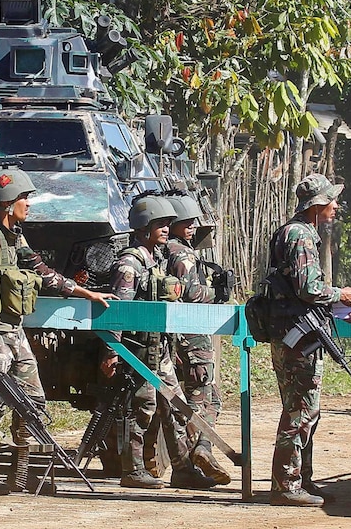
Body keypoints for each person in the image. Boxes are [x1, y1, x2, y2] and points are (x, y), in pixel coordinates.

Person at [0, 165, 116, 495]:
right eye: (24, 198)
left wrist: (87, 293)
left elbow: (44, 274)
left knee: (33, 401)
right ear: (6, 202)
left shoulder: (17, 238)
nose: (28, 204)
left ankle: (23, 473)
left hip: (15, 334)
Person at [102, 193, 217, 490]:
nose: (167, 228)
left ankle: (182, 468)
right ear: (143, 227)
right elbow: (117, 311)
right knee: (142, 408)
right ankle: (134, 469)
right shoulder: (130, 264)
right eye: (160, 224)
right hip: (137, 349)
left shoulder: (158, 261)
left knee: (176, 407)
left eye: (168, 223)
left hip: (160, 348)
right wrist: (112, 351)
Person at [265, 173, 351, 507]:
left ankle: (301, 478)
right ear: (318, 204)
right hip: (297, 337)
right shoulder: (300, 235)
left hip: (296, 332)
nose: (336, 206)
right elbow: (308, 289)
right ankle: (287, 484)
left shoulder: (298, 232)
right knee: (300, 410)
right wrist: (342, 294)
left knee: (306, 410)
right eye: (332, 200)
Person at [164, 191, 230, 485]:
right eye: (185, 221)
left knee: (181, 399)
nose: (192, 225)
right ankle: (201, 450)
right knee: (205, 395)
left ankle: (192, 460)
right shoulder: (183, 254)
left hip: (172, 335)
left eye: (193, 220)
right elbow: (191, 294)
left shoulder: (162, 249)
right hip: (191, 334)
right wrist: (218, 293)